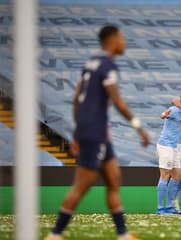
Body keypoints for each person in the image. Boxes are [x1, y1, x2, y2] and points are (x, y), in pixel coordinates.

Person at [45, 25, 149, 240]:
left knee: (113, 179)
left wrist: (76, 132)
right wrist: (138, 126)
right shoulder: (107, 66)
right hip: (95, 134)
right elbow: (118, 101)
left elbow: (76, 99)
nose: (124, 42)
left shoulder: (90, 63)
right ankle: (55, 235)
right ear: (113, 39)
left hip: (96, 132)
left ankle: (123, 235)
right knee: (81, 186)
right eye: (122, 38)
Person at [156, 91, 181, 214]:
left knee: (177, 175)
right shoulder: (174, 109)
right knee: (165, 175)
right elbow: (163, 115)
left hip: (175, 146)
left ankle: (170, 206)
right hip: (165, 145)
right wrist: (164, 115)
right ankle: (160, 208)